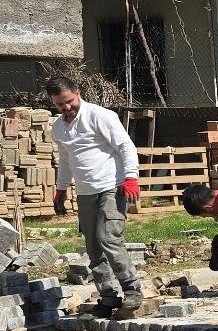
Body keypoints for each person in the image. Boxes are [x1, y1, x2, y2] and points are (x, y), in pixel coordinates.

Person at [46, 75, 144, 312]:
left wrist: (131, 177)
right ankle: (108, 296)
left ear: (77, 92)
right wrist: (61, 189)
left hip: (112, 186)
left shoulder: (101, 116)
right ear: (53, 102)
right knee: (93, 245)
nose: (67, 107)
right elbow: (66, 160)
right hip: (85, 192)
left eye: (69, 101)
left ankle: (131, 288)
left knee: (109, 237)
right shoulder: (59, 128)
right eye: (60, 104)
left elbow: (125, 146)